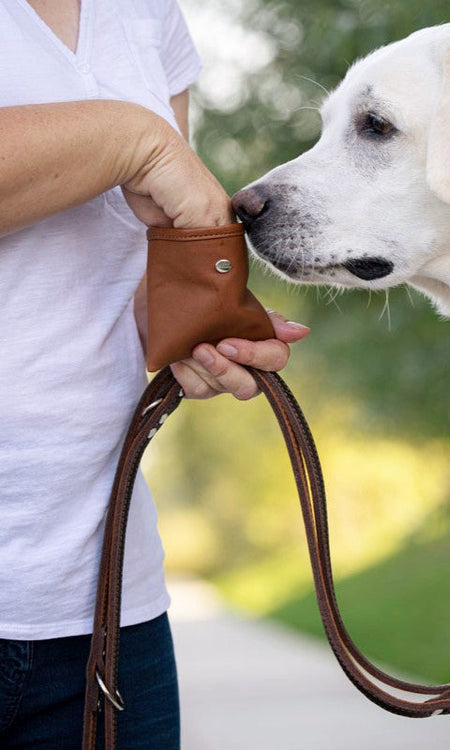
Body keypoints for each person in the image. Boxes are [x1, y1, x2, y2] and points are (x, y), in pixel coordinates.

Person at [0, 1, 308, 747]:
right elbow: (145, 159)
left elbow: (132, 276)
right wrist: (132, 139)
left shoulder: (142, 15)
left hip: (104, 607)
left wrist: (198, 327)